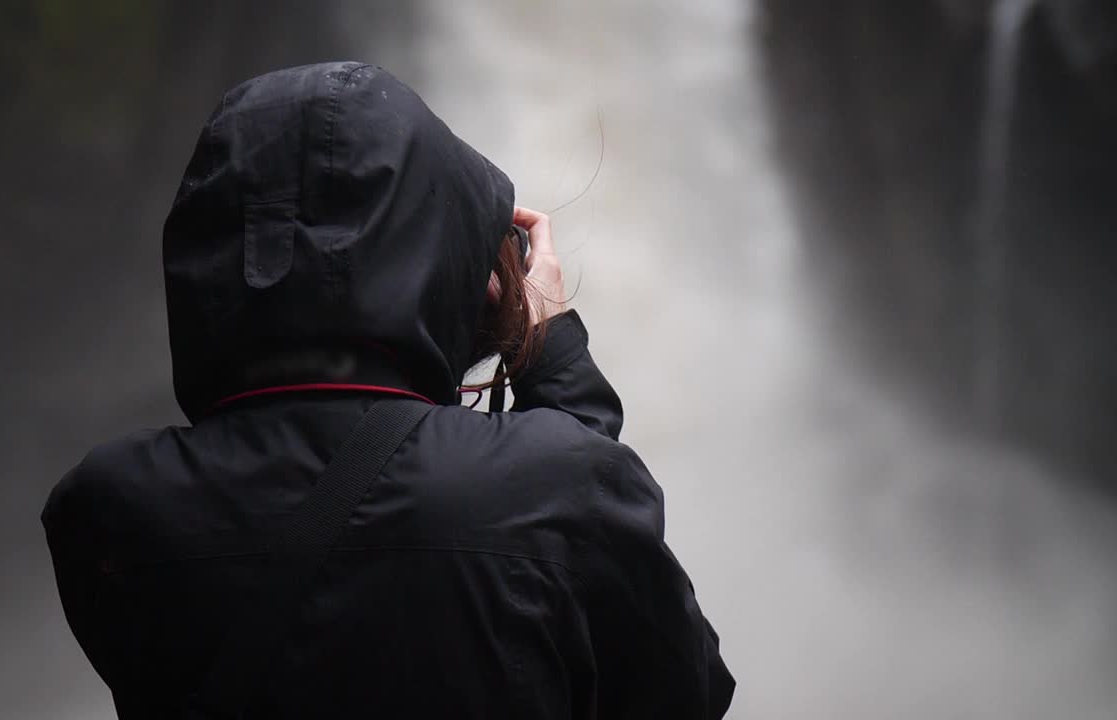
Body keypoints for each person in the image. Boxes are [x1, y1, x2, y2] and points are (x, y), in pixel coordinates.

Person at [42, 61, 735, 719]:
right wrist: (543, 337)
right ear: (452, 265)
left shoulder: (106, 507)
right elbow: (681, 689)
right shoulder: (558, 484)